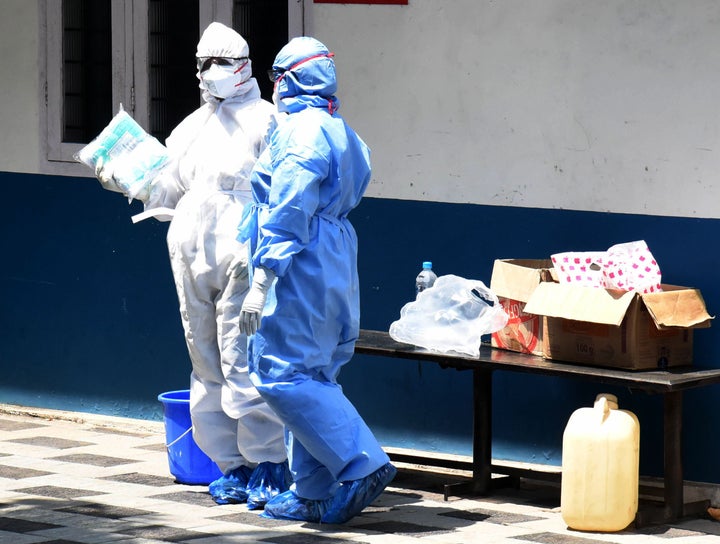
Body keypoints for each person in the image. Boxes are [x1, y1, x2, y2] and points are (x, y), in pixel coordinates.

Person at [95, 22, 288, 508]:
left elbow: (285, 192)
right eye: (202, 63)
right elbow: (170, 189)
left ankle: (268, 463)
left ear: (245, 66)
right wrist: (127, 178)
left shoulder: (268, 122)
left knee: (241, 355)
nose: (208, 73)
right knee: (205, 359)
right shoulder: (191, 127)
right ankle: (232, 465)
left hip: (242, 256)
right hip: (190, 255)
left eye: (219, 62)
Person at [237, 36, 396, 524]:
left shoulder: (302, 133)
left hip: (301, 259)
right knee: (316, 374)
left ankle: (360, 463)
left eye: (275, 79)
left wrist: (263, 278)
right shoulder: (342, 131)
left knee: (282, 373)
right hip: (334, 256)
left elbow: (289, 208)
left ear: (288, 80)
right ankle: (312, 488)